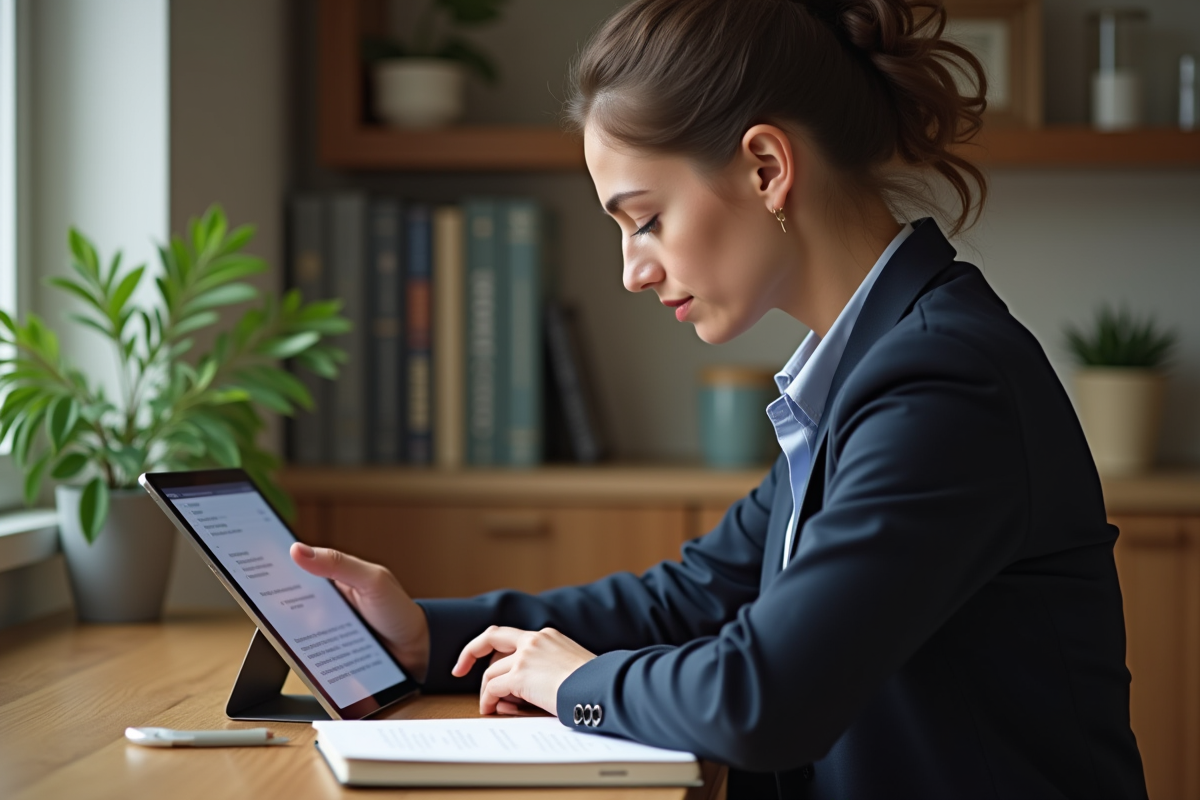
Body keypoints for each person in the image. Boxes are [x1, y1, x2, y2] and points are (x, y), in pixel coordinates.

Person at [291, 1, 1148, 797]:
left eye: (646, 219)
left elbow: (764, 697)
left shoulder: (942, 385)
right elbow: (693, 596)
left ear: (767, 167)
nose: (633, 270)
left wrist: (574, 681)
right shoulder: (869, 372)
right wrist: (427, 637)